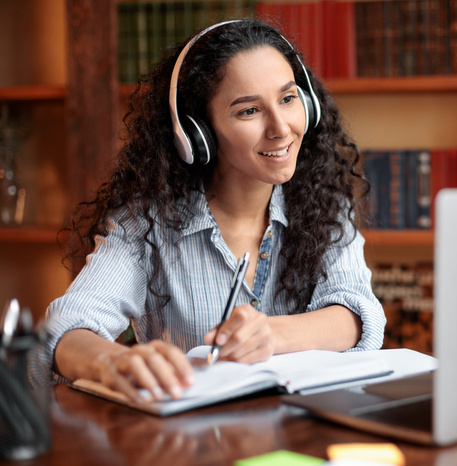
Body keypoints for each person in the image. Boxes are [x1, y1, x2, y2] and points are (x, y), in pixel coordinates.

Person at [39, 19, 385, 403]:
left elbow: (355, 314)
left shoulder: (325, 205)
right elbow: (64, 329)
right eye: (249, 111)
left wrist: (271, 335)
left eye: (288, 99)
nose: (281, 128)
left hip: (303, 438)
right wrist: (111, 362)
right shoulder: (146, 226)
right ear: (197, 134)